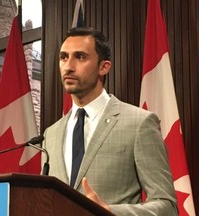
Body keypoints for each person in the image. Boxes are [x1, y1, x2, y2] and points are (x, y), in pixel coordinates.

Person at [42, 27, 178, 215]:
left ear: (104, 67)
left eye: (80, 57)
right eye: (64, 57)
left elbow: (167, 206)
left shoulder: (139, 123)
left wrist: (110, 212)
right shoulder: (51, 134)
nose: (68, 66)